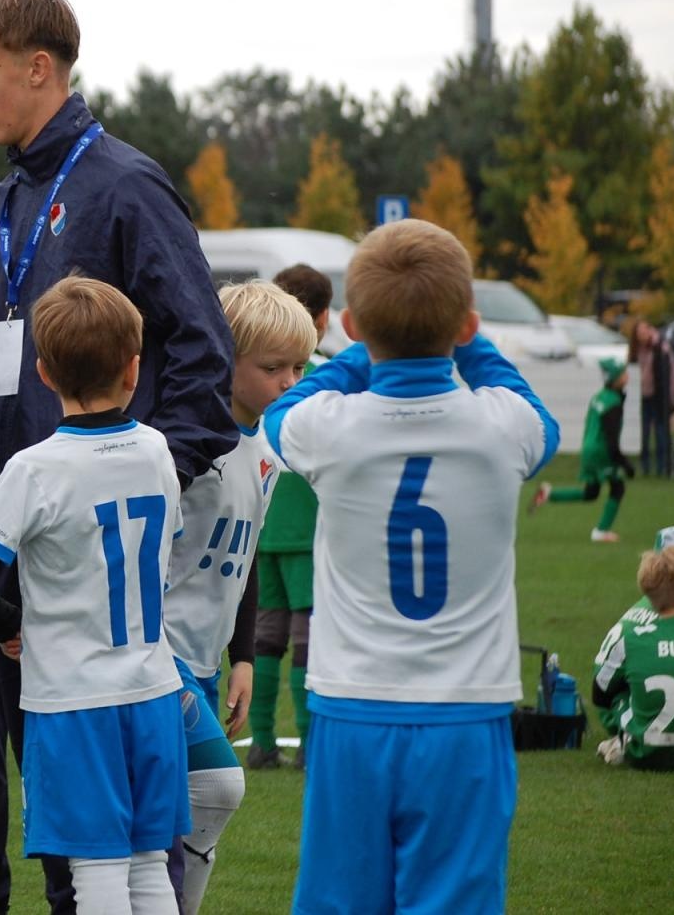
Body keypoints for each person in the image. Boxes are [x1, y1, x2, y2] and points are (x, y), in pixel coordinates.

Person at [0, 0, 235, 913]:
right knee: (0, 789)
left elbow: (201, 350)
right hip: (10, 534)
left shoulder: (125, 185)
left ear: (41, 68)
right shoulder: (0, 202)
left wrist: (141, 478)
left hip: (92, 565)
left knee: (105, 827)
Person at [263, 219, 559, 914]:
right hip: (466, 715)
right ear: (466, 323)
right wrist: (466, 338)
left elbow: (282, 411)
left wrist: (361, 349)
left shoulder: (331, 426)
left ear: (351, 325)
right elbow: (536, 413)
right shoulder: (502, 428)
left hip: (352, 709)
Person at [0, 276, 190, 915]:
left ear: (43, 373)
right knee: (148, 867)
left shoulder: (34, 467)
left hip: (73, 699)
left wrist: (11, 625)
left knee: (97, 874)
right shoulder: (158, 450)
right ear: (135, 369)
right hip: (152, 689)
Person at [165, 280, 317, 914]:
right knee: (219, 787)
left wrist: (245, 656)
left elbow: (246, 556)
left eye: (298, 367)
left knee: (177, 814)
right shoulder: (184, 444)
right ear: (225, 359)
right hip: (156, 653)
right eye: (272, 367)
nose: (288, 381)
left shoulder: (266, 453)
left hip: (203, 660)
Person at [248, 264, 333, 771]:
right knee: (307, 636)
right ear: (323, 316)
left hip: (261, 520)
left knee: (263, 635)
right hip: (307, 523)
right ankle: (307, 741)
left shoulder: (257, 370)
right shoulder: (322, 376)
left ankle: (260, 741)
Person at [591, 537, 674, 771]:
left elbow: (600, 694)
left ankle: (624, 739)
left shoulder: (629, 633)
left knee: (619, 693)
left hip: (645, 755)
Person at [529, 357, 633, 542]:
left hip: (589, 449)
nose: (627, 375)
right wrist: (624, 463)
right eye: (624, 373)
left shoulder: (599, 397)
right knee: (618, 487)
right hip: (601, 451)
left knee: (591, 493)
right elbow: (611, 437)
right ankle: (601, 532)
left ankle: (549, 493)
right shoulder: (613, 403)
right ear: (616, 378)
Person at [629, 317, 674, 477]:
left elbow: (671, 373)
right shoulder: (634, 351)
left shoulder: (661, 348)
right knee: (643, 434)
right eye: (639, 332)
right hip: (641, 398)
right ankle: (645, 467)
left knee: (661, 432)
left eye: (645, 331)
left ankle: (662, 467)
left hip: (658, 397)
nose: (642, 335)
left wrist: (672, 396)